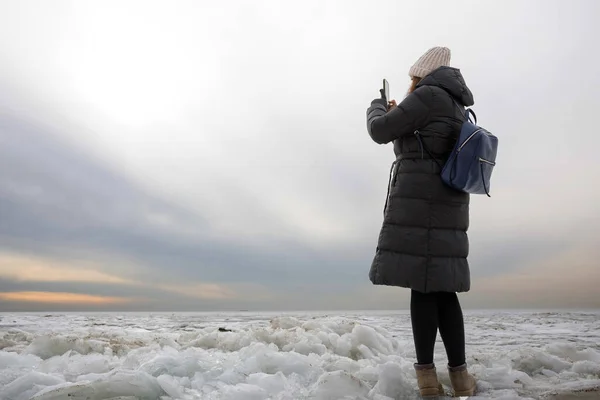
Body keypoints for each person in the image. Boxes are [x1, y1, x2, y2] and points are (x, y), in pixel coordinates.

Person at [365, 47, 477, 397]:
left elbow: (380, 130)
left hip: (420, 205)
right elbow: (425, 145)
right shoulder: (456, 104)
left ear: (421, 73)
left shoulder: (428, 96)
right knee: (445, 291)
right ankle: (460, 378)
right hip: (450, 205)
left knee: (423, 288)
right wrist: (405, 123)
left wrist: (377, 106)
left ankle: (427, 378)